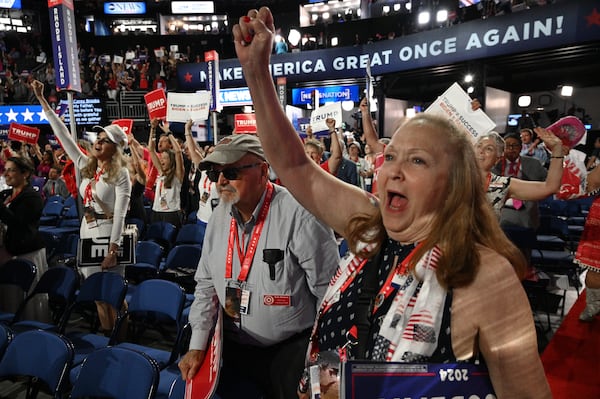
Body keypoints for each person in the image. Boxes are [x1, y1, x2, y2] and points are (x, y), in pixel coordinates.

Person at [231, 7, 550, 398]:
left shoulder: (485, 275)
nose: (393, 171)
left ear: (454, 186)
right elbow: (295, 165)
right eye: (392, 156)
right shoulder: (370, 223)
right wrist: (257, 73)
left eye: (417, 160)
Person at [178, 134, 340, 399]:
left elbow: (331, 297)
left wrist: (326, 368)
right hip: (231, 351)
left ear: (263, 171)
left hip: (290, 356)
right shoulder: (218, 215)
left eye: (231, 171)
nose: (221, 181)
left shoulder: (301, 214)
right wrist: (198, 344)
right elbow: (207, 286)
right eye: (216, 173)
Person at [33, 79, 131, 333]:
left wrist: (113, 249)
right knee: (97, 295)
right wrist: (43, 101)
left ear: (116, 147)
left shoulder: (121, 175)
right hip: (87, 235)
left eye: (105, 139)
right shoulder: (86, 165)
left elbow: (120, 214)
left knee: (114, 296)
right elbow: (63, 135)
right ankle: (108, 338)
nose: (98, 142)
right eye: (98, 138)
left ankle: (122, 338)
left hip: (109, 239)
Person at [0, 156, 49, 321]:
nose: (6, 174)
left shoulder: (32, 197)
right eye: (5, 169)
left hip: (27, 253)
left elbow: (18, 223)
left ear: (25, 173)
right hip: (9, 252)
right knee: (10, 298)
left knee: (28, 302)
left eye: (11, 170)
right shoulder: (6, 194)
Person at [475, 130, 563, 217]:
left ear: (497, 159)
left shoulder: (503, 184)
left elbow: (551, 187)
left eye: (489, 149)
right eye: (479, 146)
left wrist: (557, 149)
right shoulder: (461, 178)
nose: (481, 151)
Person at [491, 133, 550, 230]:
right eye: (508, 146)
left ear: (521, 147)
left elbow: (547, 182)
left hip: (527, 205)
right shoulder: (494, 165)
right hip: (500, 204)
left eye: (515, 145)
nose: (511, 149)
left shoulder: (534, 163)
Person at [147, 124, 184, 229]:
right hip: (156, 212)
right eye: (161, 158)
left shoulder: (178, 174)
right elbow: (151, 150)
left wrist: (169, 133)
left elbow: (178, 152)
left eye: (164, 158)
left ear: (171, 161)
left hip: (171, 214)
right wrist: (153, 129)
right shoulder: (161, 172)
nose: (161, 160)